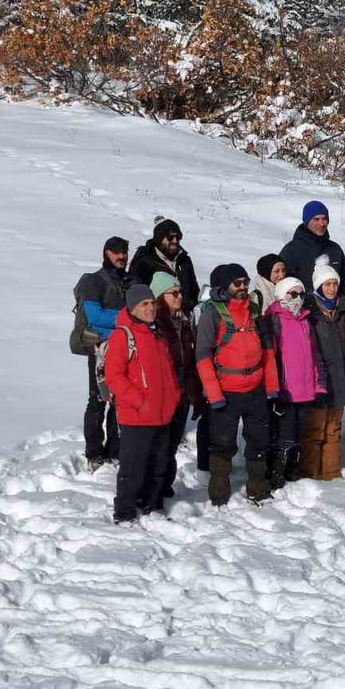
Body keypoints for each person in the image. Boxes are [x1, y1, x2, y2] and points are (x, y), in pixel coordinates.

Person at [196, 264, 280, 505]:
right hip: (226, 391)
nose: (243, 287)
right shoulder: (212, 314)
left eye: (245, 282)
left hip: (255, 389)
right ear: (223, 287)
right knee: (222, 443)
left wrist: (271, 387)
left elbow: (267, 352)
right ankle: (219, 493)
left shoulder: (254, 312)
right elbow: (202, 355)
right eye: (237, 283)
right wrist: (214, 394)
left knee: (259, 440)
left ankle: (258, 487)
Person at [104, 285, 180, 523]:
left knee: (158, 465)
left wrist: (174, 396)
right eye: (144, 304)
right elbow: (114, 376)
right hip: (136, 415)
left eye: (152, 303)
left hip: (162, 413)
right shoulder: (122, 335)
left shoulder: (156, 334)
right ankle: (124, 512)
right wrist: (140, 402)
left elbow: (166, 373)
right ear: (133, 308)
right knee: (133, 467)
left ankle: (152, 503)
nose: (150, 308)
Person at [77, 236, 133, 470]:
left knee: (120, 400)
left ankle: (115, 451)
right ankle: (93, 452)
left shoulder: (132, 281)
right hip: (100, 349)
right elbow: (95, 317)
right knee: (98, 399)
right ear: (106, 253)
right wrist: (128, 318)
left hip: (127, 349)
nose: (121, 256)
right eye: (116, 252)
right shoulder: (93, 281)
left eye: (124, 252)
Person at [265, 276, 326, 487]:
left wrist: (319, 384)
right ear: (282, 295)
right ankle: (276, 473)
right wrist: (273, 388)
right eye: (292, 294)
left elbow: (314, 356)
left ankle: (293, 471)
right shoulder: (274, 320)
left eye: (301, 294)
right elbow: (270, 357)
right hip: (285, 390)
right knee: (285, 435)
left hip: (305, 390)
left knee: (300, 434)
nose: (297, 299)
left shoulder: (305, 321)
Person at [150, 272, 204, 501]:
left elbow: (189, 362)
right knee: (159, 446)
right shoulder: (155, 324)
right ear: (161, 296)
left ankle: (165, 486)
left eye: (180, 292)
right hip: (163, 395)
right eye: (174, 293)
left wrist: (195, 393)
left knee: (171, 445)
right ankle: (153, 489)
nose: (179, 296)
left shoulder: (182, 321)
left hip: (182, 394)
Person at [304, 263, 345, 480]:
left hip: (339, 381)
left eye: (335, 283)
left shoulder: (341, 312)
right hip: (318, 380)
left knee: (333, 429)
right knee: (315, 430)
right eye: (327, 284)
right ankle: (311, 473)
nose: (332, 288)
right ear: (318, 286)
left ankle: (331, 472)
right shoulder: (310, 313)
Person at [279, 201, 345, 298]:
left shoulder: (335, 249)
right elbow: (281, 283)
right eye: (316, 219)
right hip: (302, 309)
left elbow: (344, 281)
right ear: (307, 222)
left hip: (332, 309)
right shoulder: (291, 250)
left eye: (324, 219)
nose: (321, 223)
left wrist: (340, 304)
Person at [130, 216, 200, 309]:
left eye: (178, 237)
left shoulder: (184, 260)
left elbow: (194, 290)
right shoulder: (144, 261)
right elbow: (136, 294)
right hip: (157, 317)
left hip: (184, 317)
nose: (175, 241)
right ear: (159, 238)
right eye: (170, 237)